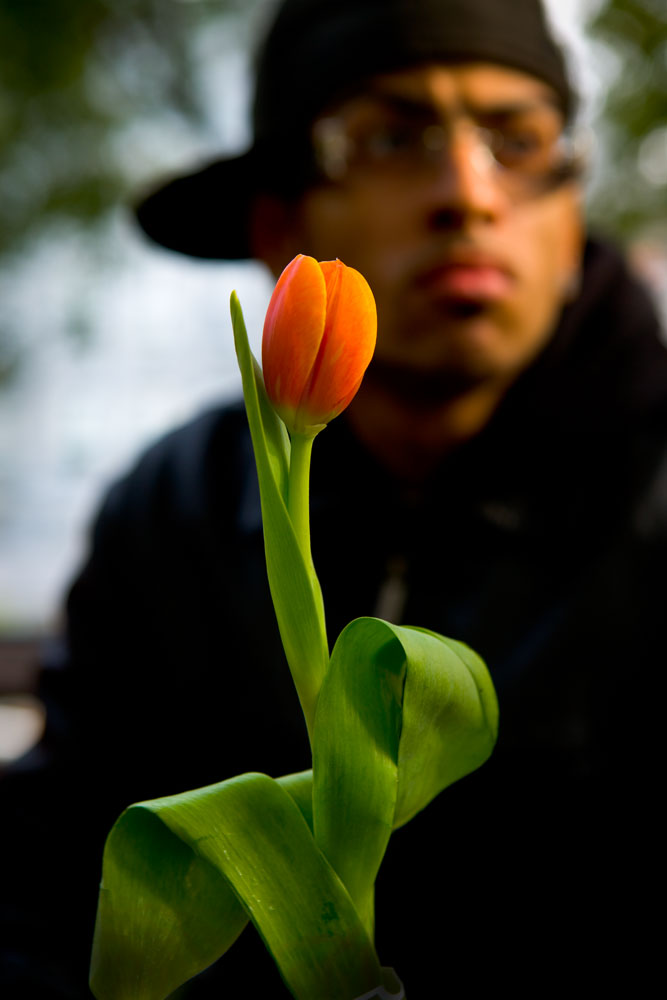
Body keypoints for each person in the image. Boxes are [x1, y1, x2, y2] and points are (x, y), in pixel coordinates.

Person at [3, 0, 666, 995]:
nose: (468, 191)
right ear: (277, 224)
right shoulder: (166, 515)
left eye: (518, 138)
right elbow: (41, 882)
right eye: (391, 135)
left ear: (572, 206)